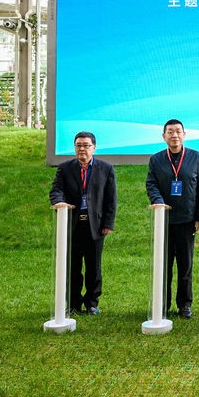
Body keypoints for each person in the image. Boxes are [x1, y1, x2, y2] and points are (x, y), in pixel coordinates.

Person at [49, 131, 117, 315]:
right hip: (72, 225)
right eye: (78, 145)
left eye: (86, 145)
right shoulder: (65, 168)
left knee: (94, 267)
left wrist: (108, 223)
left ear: (94, 148)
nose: (82, 149)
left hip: (96, 226)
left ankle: (92, 303)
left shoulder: (106, 168)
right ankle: (73, 303)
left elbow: (111, 199)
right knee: (73, 267)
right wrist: (59, 202)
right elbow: (56, 190)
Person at [146, 119, 199, 319]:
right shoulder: (156, 159)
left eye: (178, 131)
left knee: (185, 265)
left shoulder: (195, 157)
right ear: (164, 136)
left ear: (184, 134)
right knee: (164, 265)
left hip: (187, 220)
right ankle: (162, 305)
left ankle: (184, 304)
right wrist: (158, 202)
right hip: (163, 219)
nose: (174, 135)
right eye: (170, 132)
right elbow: (151, 184)